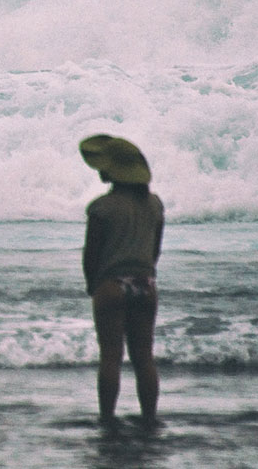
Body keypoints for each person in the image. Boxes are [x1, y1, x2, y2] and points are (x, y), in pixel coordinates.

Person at [79, 134, 164, 428]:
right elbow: (154, 252)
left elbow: (92, 254)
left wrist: (93, 285)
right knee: (144, 357)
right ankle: (150, 418)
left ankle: (106, 418)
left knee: (111, 356)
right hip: (145, 285)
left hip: (112, 286)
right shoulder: (154, 205)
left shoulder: (102, 207)